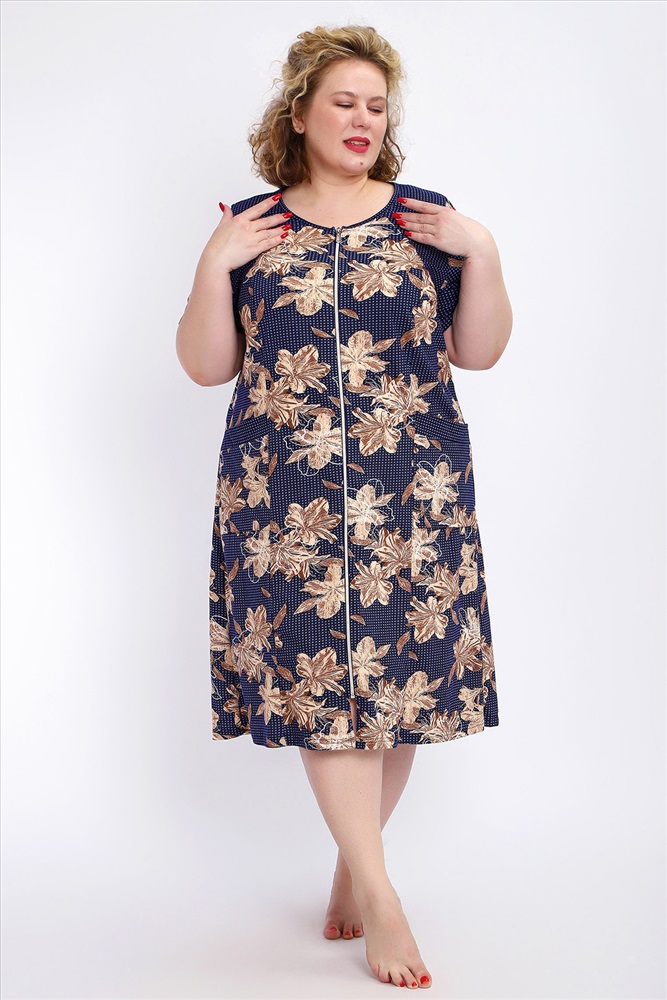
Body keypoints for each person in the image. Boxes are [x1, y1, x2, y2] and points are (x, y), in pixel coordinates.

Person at [176, 23, 512, 992]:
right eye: (343, 102)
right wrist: (212, 262)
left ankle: (351, 865)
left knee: (395, 695)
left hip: (414, 489)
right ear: (299, 114)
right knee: (328, 691)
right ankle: (382, 893)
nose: (363, 118)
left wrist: (483, 251)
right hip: (284, 498)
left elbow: (479, 351)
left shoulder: (427, 220)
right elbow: (205, 366)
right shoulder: (251, 226)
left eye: (376, 105)